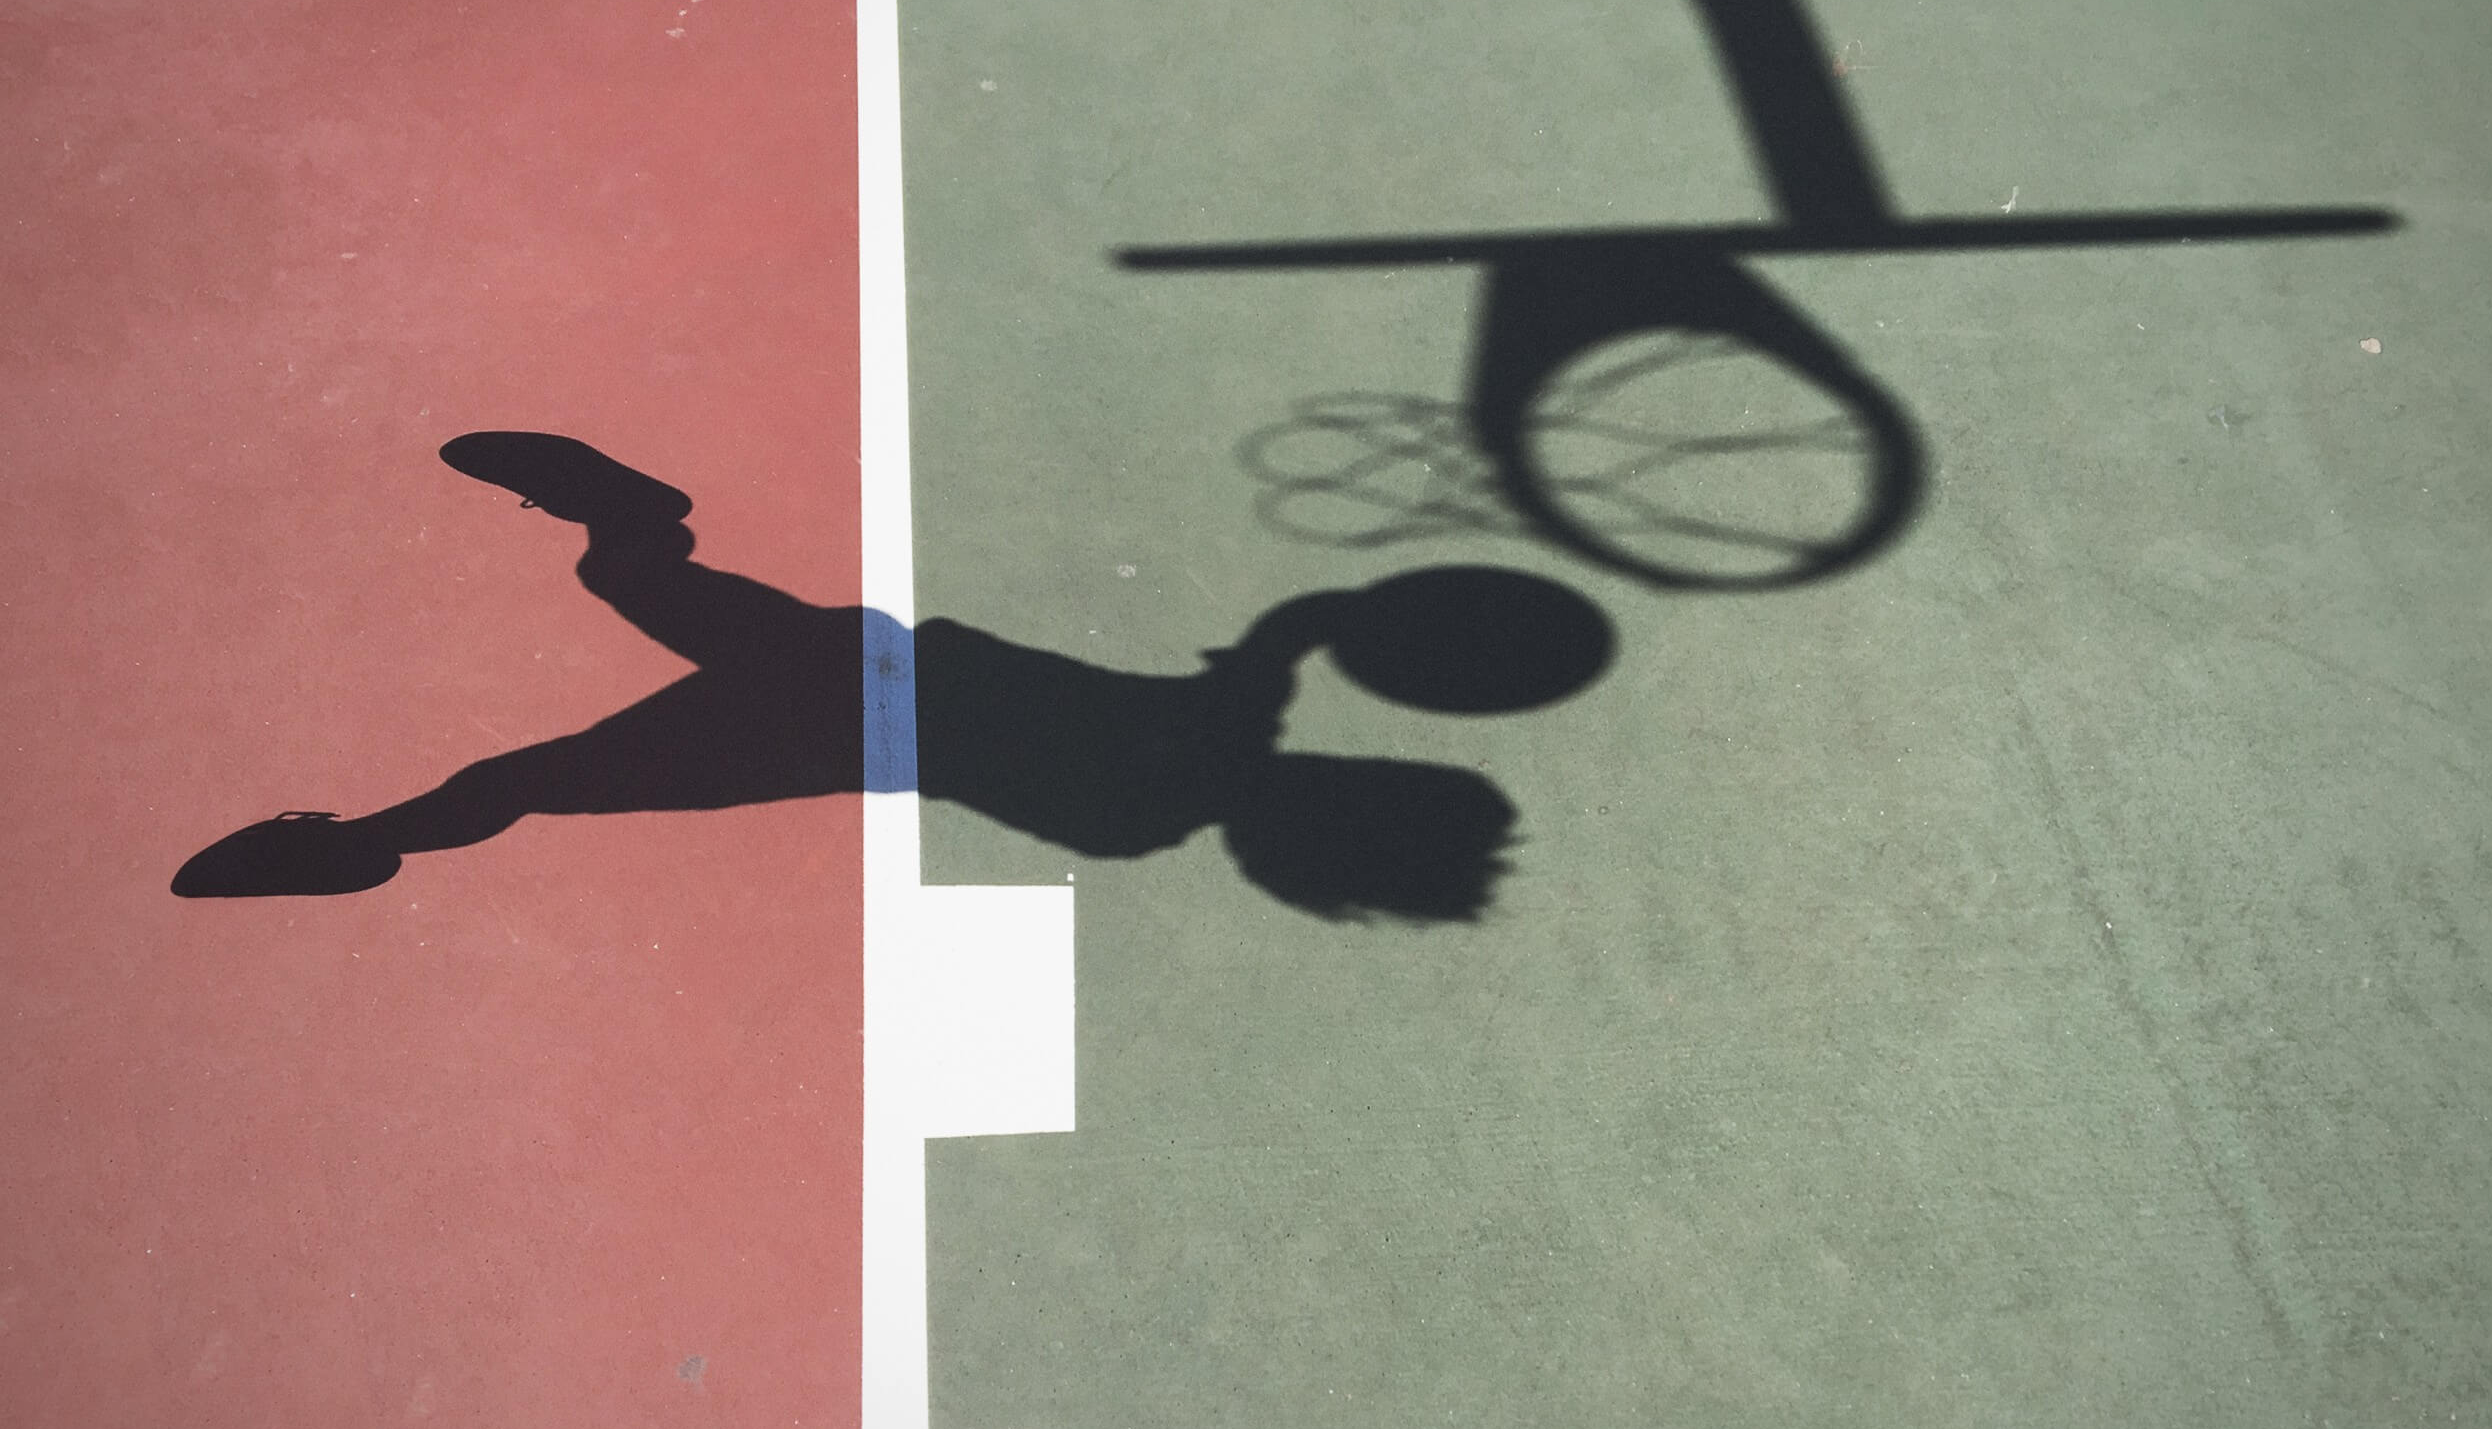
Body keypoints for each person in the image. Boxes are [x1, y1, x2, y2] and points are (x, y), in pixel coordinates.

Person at [174, 434, 1520, 922]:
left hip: (856, 664)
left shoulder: (1226, 724)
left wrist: (1364, 611)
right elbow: (1280, 653)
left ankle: (636, 521)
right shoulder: (1141, 822)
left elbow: (1289, 632)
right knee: (531, 775)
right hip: (844, 723)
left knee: (611, 612)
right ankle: (355, 847)